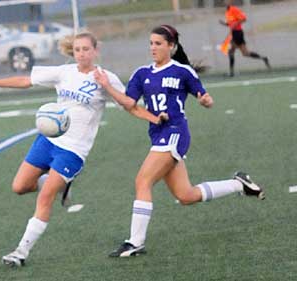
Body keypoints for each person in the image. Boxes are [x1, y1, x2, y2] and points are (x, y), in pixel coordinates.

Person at [0, 32, 163, 266]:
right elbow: (25, 81)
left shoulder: (106, 77)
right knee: (19, 186)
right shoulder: (64, 72)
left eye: (86, 49)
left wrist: (153, 118)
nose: (81, 53)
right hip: (48, 141)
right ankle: (62, 186)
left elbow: (128, 105)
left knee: (45, 197)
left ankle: (20, 252)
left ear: (95, 51)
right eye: (77, 49)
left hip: (73, 150)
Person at [94, 24, 265, 257]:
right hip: (158, 135)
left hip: (175, 132)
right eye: (151, 43)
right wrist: (106, 86)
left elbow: (205, 98)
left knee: (142, 181)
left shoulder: (182, 72)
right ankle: (239, 184)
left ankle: (135, 242)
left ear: (171, 47)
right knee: (186, 196)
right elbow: (128, 104)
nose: (153, 47)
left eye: (158, 43)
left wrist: (206, 101)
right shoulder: (141, 74)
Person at [219, 0, 270, 77]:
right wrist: (224, 23)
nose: (225, 2)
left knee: (233, 52)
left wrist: (235, 24)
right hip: (235, 33)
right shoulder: (228, 11)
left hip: (238, 33)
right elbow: (231, 23)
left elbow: (243, 18)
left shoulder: (234, 9)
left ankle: (231, 72)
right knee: (244, 53)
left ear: (230, 1)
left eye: (227, 1)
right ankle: (263, 58)